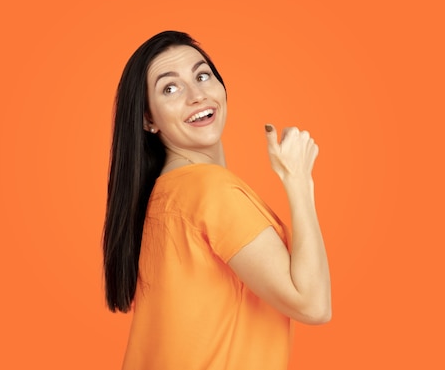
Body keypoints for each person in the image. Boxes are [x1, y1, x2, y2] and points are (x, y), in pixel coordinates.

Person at [103, 31, 331, 369]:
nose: (196, 95)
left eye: (202, 75)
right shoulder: (211, 189)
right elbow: (313, 305)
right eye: (170, 88)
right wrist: (298, 181)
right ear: (148, 119)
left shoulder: (164, 195)